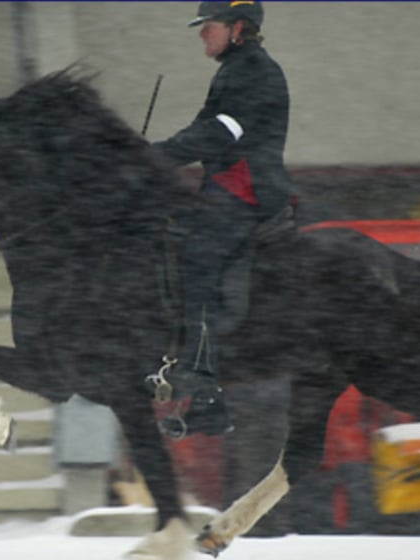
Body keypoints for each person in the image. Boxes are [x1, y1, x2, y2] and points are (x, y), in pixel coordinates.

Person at [148, 0, 296, 439]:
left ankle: (206, 390)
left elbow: (220, 132)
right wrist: (151, 159)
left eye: (207, 25)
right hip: (226, 186)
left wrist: (158, 155)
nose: (201, 33)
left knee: (198, 262)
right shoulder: (233, 69)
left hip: (247, 190)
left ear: (237, 28)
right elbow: (199, 128)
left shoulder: (254, 69)